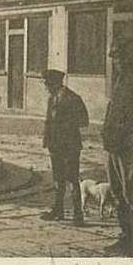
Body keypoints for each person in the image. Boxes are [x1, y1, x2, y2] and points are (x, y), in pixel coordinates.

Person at [103, 36, 133, 256]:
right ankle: (125, 236)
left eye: (118, 56)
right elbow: (112, 108)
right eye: (114, 57)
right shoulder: (120, 79)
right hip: (113, 145)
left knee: (132, 194)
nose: (115, 61)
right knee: (117, 192)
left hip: (129, 145)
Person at [40, 69, 89, 226]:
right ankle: (58, 210)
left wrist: (65, 126)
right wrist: (46, 139)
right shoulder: (52, 99)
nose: (46, 87)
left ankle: (78, 215)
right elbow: (49, 121)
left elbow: (84, 120)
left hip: (70, 146)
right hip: (55, 146)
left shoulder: (73, 99)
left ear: (55, 83)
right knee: (58, 179)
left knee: (72, 179)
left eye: (47, 84)